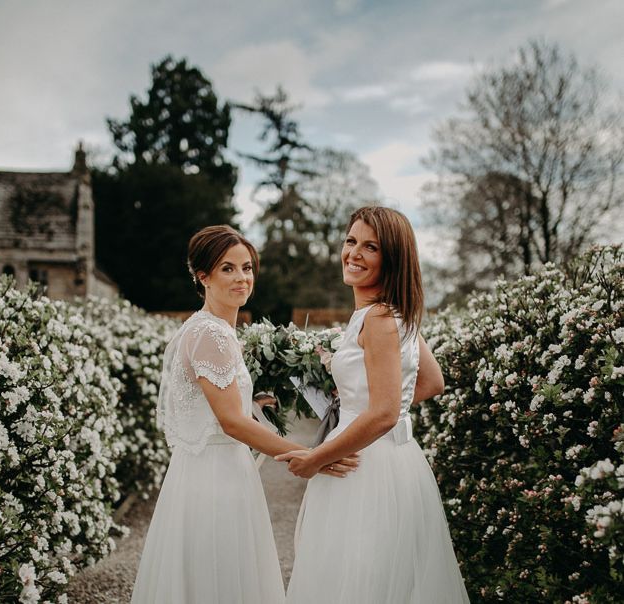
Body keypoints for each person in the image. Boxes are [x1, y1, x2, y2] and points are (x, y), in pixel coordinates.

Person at [130, 225, 358, 604]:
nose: (242, 278)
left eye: (247, 267)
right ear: (202, 276)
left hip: (211, 468)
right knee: (218, 577)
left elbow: (222, 408)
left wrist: (254, 403)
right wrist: (305, 455)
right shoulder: (211, 334)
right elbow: (230, 423)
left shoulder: (212, 329)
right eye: (227, 269)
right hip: (216, 476)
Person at [277, 207, 470, 603]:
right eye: (351, 242)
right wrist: (362, 398)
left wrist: (316, 458)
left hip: (364, 467)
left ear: (392, 259)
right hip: (395, 462)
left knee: (357, 579)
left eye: (371, 247)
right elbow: (432, 382)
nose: (354, 254)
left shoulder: (379, 319)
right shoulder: (395, 314)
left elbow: (383, 413)